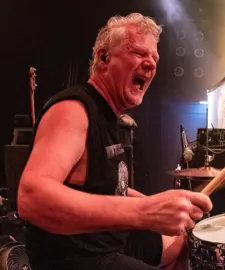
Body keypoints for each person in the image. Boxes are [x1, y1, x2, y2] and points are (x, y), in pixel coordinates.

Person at [17, 13, 213, 270]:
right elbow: (32, 198)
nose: (151, 64)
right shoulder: (73, 110)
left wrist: (159, 204)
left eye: (154, 58)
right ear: (103, 58)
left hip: (107, 240)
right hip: (76, 257)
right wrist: (145, 212)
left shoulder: (110, 117)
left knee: (182, 240)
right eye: (139, 53)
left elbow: (104, 187)